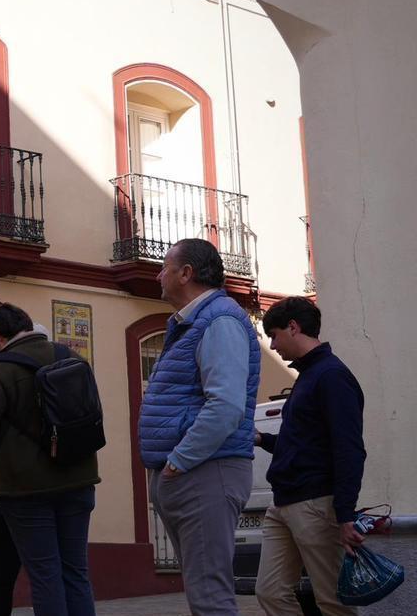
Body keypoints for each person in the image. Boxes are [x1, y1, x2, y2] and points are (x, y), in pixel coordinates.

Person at [138, 238, 259, 616]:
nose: (159, 276)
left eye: (165, 268)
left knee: (211, 598)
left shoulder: (219, 320)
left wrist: (178, 462)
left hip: (205, 470)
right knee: (203, 593)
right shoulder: (195, 322)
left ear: (186, 273)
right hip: (194, 472)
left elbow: (225, 406)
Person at [0, 303, 100, 615]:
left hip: (26, 489)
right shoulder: (72, 358)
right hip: (79, 478)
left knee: (45, 575)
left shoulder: (2, 369)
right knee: (76, 572)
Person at [254, 297, 367, 616]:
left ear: (293, 327)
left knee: (332, 601)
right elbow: (302, 444)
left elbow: (349, 448)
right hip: (283, 503)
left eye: (274, 335)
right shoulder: (308, 377)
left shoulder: (332, 376)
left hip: (316, 504)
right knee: (271, 593)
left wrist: (345, 514)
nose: (273, 345)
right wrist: (261, 438)